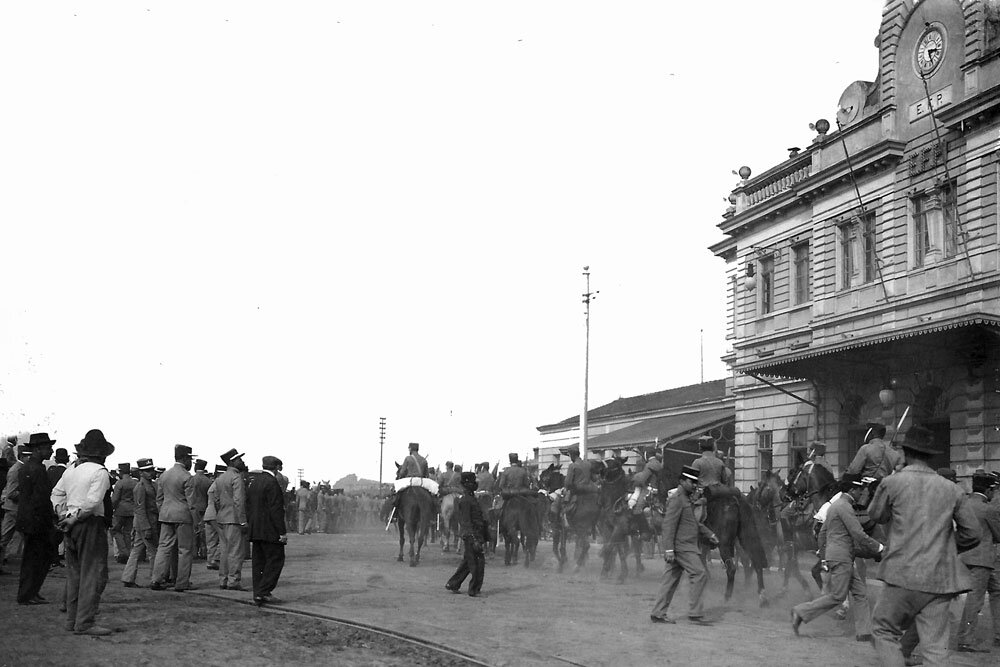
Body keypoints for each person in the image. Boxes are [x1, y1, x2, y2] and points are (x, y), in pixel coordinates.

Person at [868, 426, 981, 666]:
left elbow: (876, 515)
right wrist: (945, 546)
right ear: (931, 455)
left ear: (906, 452)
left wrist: (890, 480)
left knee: (883, 630)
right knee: (935, 649)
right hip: (939, 578)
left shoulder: (893, 482)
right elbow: (973, 533)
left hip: (901, 573)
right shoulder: (953, 489)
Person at [791, 474, 884, 639]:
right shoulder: (845, 507)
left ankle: (864, 632)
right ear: (852, 490)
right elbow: (858, 533)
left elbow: (822, 534)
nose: (861, 493)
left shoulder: (835, 506)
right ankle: (800, 611)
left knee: (860, 593)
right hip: (842, 557)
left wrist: (825, 556)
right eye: (859, 490)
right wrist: (879, 548)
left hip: (840, 556)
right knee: (838, 596)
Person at [51, 429, 115, 636]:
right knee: (93, 574)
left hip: (70, 523)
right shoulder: (100, 472)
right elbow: (92, 502)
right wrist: (75, 518)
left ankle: (72, 620)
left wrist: (64, 515)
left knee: (75, 573)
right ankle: (85, 622)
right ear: (102, 454)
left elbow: (56, 494)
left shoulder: (71, 470)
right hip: (89, 523)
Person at [650, 465, 719, 625]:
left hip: (681, 547)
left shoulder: (685, 499)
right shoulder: (677, 499)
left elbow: (692, 522)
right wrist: (668, 549)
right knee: (699, 573)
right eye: (691, 482)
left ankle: (658, 613)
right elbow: (668, 525)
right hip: (682, 547)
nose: (694, 485)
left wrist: (710, 534)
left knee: (669, 580)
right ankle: (695, 613)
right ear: (682, 481)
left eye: (695, 482)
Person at [955, 471, 1000, 653]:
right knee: (976, 600)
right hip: (983, 559)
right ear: (988, 490)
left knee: (997, 591)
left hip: (965, 556)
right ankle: (965, 640)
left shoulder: (964, 503)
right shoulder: (988, 509)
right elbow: (998, 534)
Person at [14, 433, 57, 605]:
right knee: (36, 559)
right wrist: (51, 518)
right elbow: (40, 499)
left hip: (28, 519)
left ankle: (30, 592)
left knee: (32, 558)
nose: (51, 451)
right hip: (37, 521)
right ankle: (28, 594)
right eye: (48, 448)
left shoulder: (27, 467)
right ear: (38, 449)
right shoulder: (38, 469)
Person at [150, 444, 198, 592]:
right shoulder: (187, 477)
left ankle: (156, 580)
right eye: (190, 459)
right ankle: (182, 582)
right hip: (183, 517)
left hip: (166, 516)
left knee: (163, 548)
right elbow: (192, 503)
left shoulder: (164, 475)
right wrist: (197, 521)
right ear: (184, 458)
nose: (191, 462)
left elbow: (159, 499)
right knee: (185, 550)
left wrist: (163, 511)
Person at [247, 456, 287, 606]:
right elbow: (276, 510)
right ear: (277, 468)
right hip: (270, 530)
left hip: (256, 529)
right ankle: (264, 591)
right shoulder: (273, 483)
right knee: (276, 559)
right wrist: (282, 532)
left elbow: (248, 505)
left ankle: (258, 592)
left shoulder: (254, 482)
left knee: (258, 563)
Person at [446, 471, 489, 597]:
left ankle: (453, 584)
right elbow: (466, 521)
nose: (474, 485)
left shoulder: (471, 498)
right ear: (466, 485)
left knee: (468, 562)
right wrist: (474, 538)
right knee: (477, 563)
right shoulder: (466, 500)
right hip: (471, 535)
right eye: (472, 483)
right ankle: (473, 590)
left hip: (475, 534)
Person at [122, 459, 158, 587]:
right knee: (153, 551)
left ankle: (128, 577)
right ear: (141, 473)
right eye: (147, 471)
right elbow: (140, 508)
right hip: (145, 522)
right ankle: (155, 579)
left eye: (151, 470)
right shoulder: (140, 487)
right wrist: (146, 527)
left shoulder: (151, 485)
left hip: (147, 521)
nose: (150, 473)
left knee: (136, 550)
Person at [216, 448, 247, 590]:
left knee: (224, 551)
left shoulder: (220, 478)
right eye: (239, 459)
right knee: (235, 551)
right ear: (232, 462)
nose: (242, 461)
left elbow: (216, 499)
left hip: (222, 517)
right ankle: (233, 580)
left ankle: (223, 579)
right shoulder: (236, 477)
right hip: (234, 518)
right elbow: (239, 501)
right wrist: (243, 521)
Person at [0, 445, 30, 573]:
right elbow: (11, 493)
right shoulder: (16, 470)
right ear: (22, 456)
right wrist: (29, 493)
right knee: (4, 539)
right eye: (28, 456)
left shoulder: (20, 468)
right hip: (14, 510)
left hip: (16, 509)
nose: (30, 458)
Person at [110, 463, 137, 564]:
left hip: (120, 510)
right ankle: (128, 553)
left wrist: (111, 509)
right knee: (127, 532)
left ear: (121, 472)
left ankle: (124, 552)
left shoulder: (119, 483)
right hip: (132, 510)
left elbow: (115, 499)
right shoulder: (135, 483)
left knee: (116, 531)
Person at [204, 465, 226, 570]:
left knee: (211, 540)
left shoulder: (212, 485)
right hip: (216, 514)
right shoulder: (219, 484)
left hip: (208, 514)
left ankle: (210, 560)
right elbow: (218, 501)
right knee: (223, 536)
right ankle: (216, 559)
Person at [190, 459, 212, 560]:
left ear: (196, 467)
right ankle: (204, 552)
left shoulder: (191, 479)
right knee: (203, 532)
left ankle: (194, 552)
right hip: (205, 508)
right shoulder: (208, 481)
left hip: (193, 508)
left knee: (194, 531)